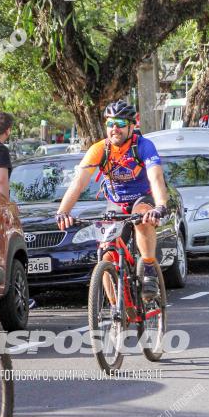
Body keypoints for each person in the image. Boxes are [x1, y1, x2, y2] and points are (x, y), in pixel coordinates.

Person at [56, 100, 169, 297]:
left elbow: (156, 177)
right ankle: (120, 314)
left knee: (142, 217)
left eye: (120, 123)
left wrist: (160, 206)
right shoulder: (99, 149)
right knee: (106, 256)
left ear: (132, 126)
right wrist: (63, 211)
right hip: (116, 203)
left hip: (143, 198)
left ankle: (149, 267)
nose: (114, 128)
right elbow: (79, 183)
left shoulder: (143, 146)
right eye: (110, 123)